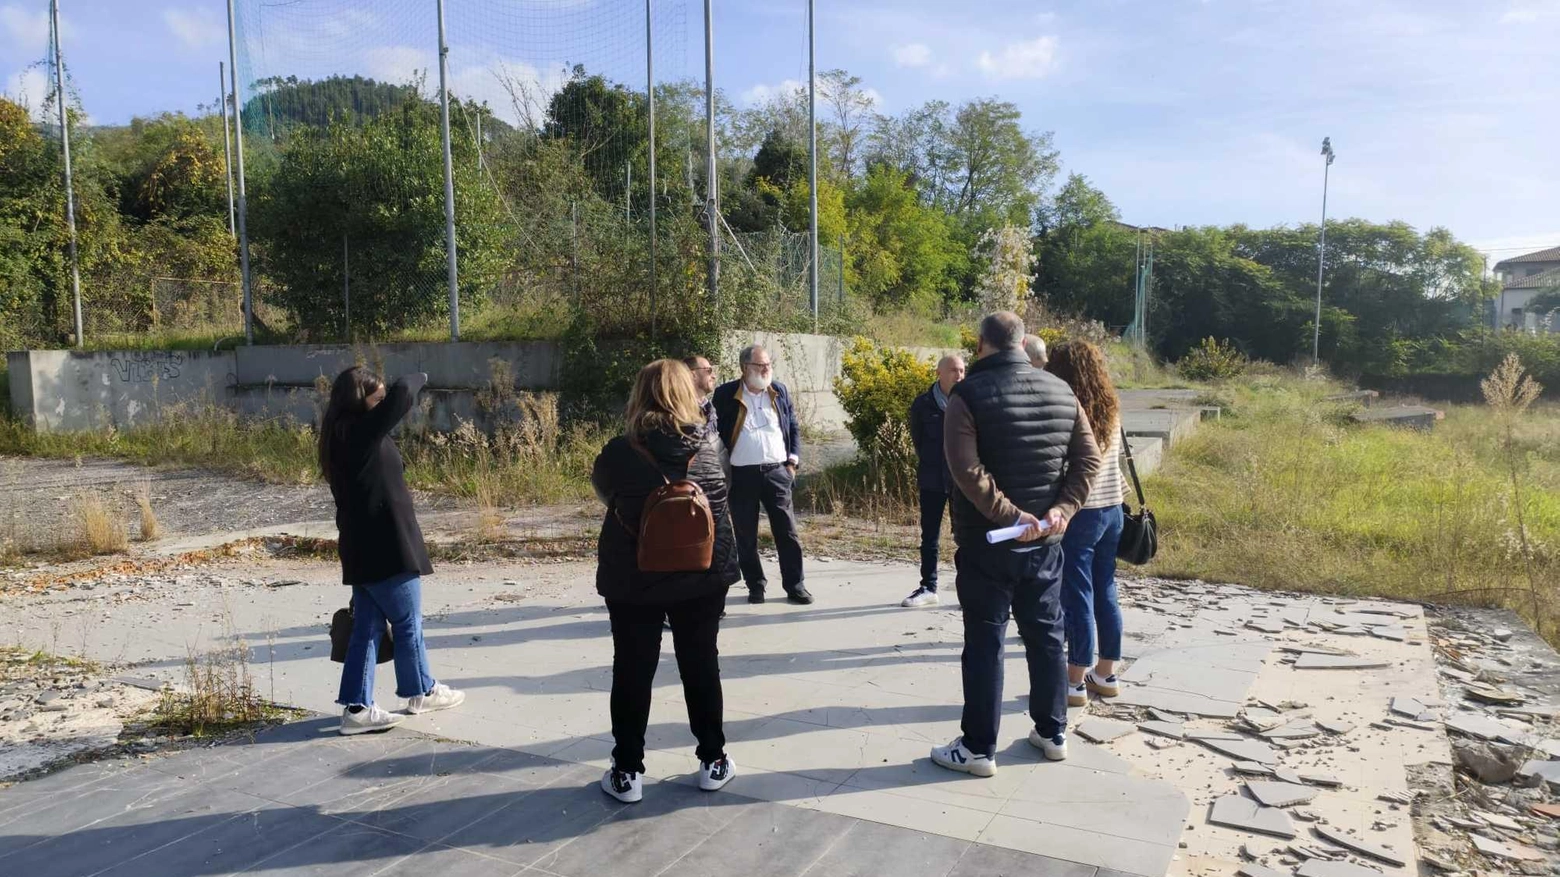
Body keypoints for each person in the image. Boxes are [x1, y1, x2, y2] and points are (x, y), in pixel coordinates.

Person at [931, 312, 1103, 777]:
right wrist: (1062, 510)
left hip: (989, 541)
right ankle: (1052, 732)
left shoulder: (965, 394)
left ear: (981, 344)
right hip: (1046, 541)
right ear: (1023, 342)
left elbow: (966, 470)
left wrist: (1011, 516)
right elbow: (1089, 459)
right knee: (1047, 635)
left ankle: (978, 748)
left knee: (985, 640)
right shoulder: (1060, 390)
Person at [592, 359, 741, 803]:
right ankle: (713, 760)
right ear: (685, 391)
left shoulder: (620, 451)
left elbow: (605, 491)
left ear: (640, 395)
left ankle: (627, 771)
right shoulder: (713, 445)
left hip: (634, 574)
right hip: (704, 572)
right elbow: (721, 495)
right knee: (700, 664)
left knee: (633, 668)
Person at [320, 367, 465, 736]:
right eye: (376, 399)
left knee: (367, 628)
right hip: (385, 546)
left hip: (364, 547)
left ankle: (357, 707)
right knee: (407, 622)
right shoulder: (360, 433)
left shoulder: (346, 435)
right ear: (359, 403)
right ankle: (423, 690)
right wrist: (420, 374)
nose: (384, 406)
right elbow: (402, 394)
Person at [1046, 341, 1132, 707]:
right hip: (1114, 508)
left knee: (1077, 593)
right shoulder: (1111, 406)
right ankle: (1106, 672)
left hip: (1083, 510)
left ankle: (1075, 680)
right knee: (1106, 589)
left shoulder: (1071, 409)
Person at [711, 344, 812, 605]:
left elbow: (792, 425)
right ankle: (756, 585)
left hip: (777, 472)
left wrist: (792, 463)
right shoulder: (725, 394)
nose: (766, 368)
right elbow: (714, 434)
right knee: (746, 534)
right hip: (741, 476)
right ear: (745, 368)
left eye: (768, 364)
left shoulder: (779, 390)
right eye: (760, 365)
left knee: (787, 532)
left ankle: (795, 585)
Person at [902, 354, 966, 608]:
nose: (959, 376)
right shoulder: (923, 405)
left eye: (962, 370)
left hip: (963, 482)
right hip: (932, 480)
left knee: (965, 537)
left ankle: (968, 588)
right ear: (939, 373)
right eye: (953, 371)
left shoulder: (970, 402)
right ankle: (928, 586)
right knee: (929, 537)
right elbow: (919, 442)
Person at [683, 355, 720, 432]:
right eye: (709, 370)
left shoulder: (709, 409)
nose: (714, 376)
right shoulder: (680, 411)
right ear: (693, 375)